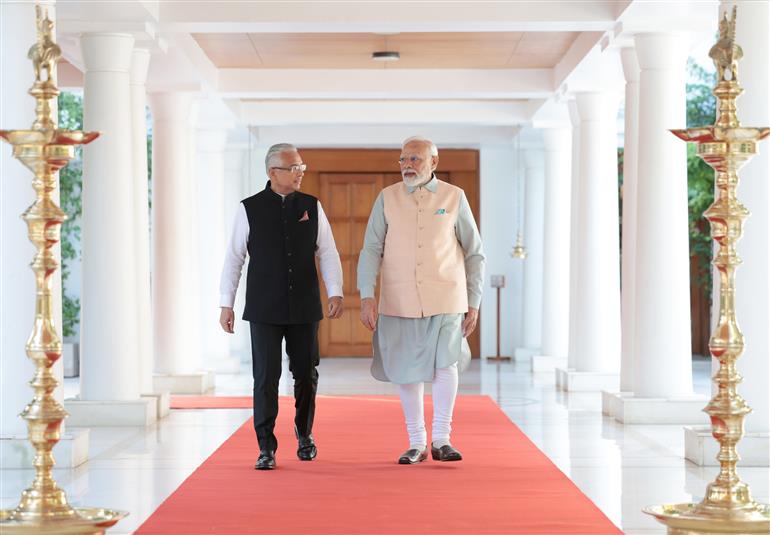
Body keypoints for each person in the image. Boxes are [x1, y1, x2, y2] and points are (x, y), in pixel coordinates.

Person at [357, 136, 485, 464]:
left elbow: (474, 251)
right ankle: (416, 441)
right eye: (403, 160)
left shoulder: (454, 197)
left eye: (414, 159)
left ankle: (442, 438)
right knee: (407, 371)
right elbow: (371, 249)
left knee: (446, 364)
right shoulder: (387, 198)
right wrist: (367, 295)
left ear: (433, 162)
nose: (407, 166)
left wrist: (474, 299)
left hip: (447, 295)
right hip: (399, 299)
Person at [219, 143, 343, 470]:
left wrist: (335, 292)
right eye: (293, 168)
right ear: (273, 172)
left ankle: (305, 435)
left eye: (302, 166)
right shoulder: (249, 208)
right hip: (263, 307)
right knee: (266, 377)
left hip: (304, 306)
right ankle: (266, 447)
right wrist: (225, 303)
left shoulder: (312, 206)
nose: (300, 172)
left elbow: (327, 252)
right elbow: (234, 258)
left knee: (305, 373)